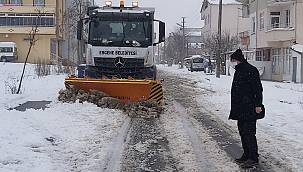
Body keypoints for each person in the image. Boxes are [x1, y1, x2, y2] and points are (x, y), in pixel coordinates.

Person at [229, 49, 263, 168]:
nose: (232, 63)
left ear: (238, 60)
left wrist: (258, 105)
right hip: (240, 109)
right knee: (242, 132)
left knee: (249, 133)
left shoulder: (250, 70)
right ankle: (246, 154)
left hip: (249, 108)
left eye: (233, 61)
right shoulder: (239, 70)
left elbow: (258, 89)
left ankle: (253, 157)